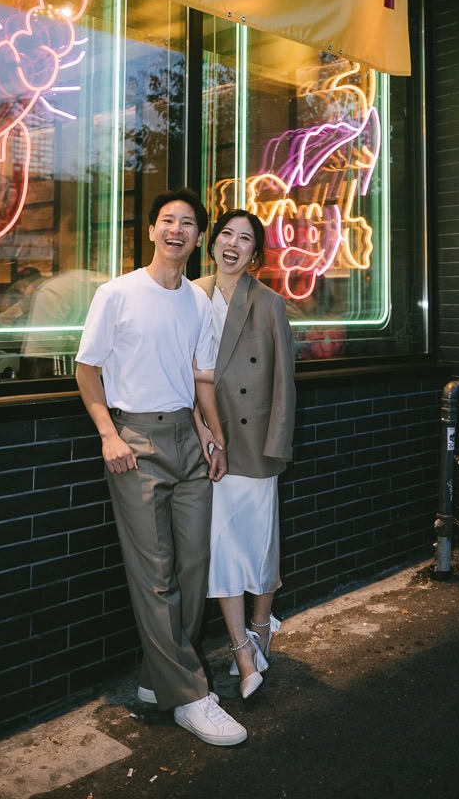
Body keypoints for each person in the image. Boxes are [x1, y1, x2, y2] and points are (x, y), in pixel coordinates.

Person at [75, 187, 247, 747]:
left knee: (193, 566)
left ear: (198, 238)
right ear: (151, 231)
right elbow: (87, 369)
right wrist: (109, 435)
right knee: (154, 574)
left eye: (188, 223)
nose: (177, 230)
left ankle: (159, 680)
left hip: (187, 437)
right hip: (135, 440)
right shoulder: (117, 294)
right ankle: (191, 697)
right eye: (168, 221)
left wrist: (212, 436)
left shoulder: (196, 301)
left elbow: (197, 377)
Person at [194, 208, 296, 700]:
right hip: (208, 439)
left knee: (259, 543)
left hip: (253, 443)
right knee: (222, 548)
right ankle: (242, 651)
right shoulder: (191, 293)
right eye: (226, 235)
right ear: (212, 243)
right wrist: (199, 430)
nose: (232, 245)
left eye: (245, 239)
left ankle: (261, 629)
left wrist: (277, 446)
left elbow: (284, 383)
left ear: (256, 253)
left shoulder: (269, 302)